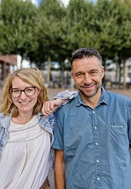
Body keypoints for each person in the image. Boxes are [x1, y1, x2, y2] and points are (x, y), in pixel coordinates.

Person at [51, 48, 131, 189]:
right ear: (73, 76)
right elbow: (59, 161)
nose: (87, 80)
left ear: (102, 72)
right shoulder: (63, 113)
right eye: (80, 74)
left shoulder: (125, 106)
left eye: (92, 72)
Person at [0, 68, 74, 189]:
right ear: (10, 93)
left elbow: (79, 96)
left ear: (38, 91)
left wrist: (58, 101)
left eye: (29, 89)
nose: (23, 97)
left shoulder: (48, 121)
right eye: (16, 91)